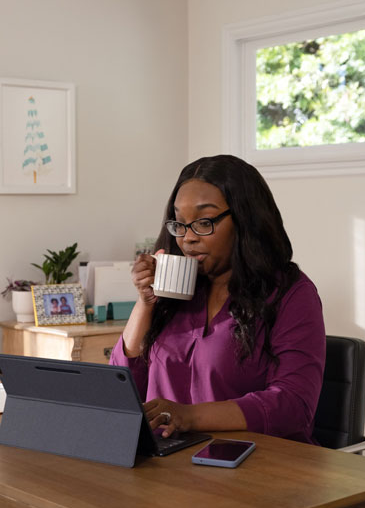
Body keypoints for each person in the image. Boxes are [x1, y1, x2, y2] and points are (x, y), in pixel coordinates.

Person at [110, 155, 326, 444]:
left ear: (245, 219)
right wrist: (146, 303)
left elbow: (293, 406)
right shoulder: (175, 289)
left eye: (203, 222)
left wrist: (188, 416)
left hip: (256, 464)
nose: (187, 238)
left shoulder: (291, 292)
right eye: (180, 224)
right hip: (171, 462)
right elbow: (120, 390)